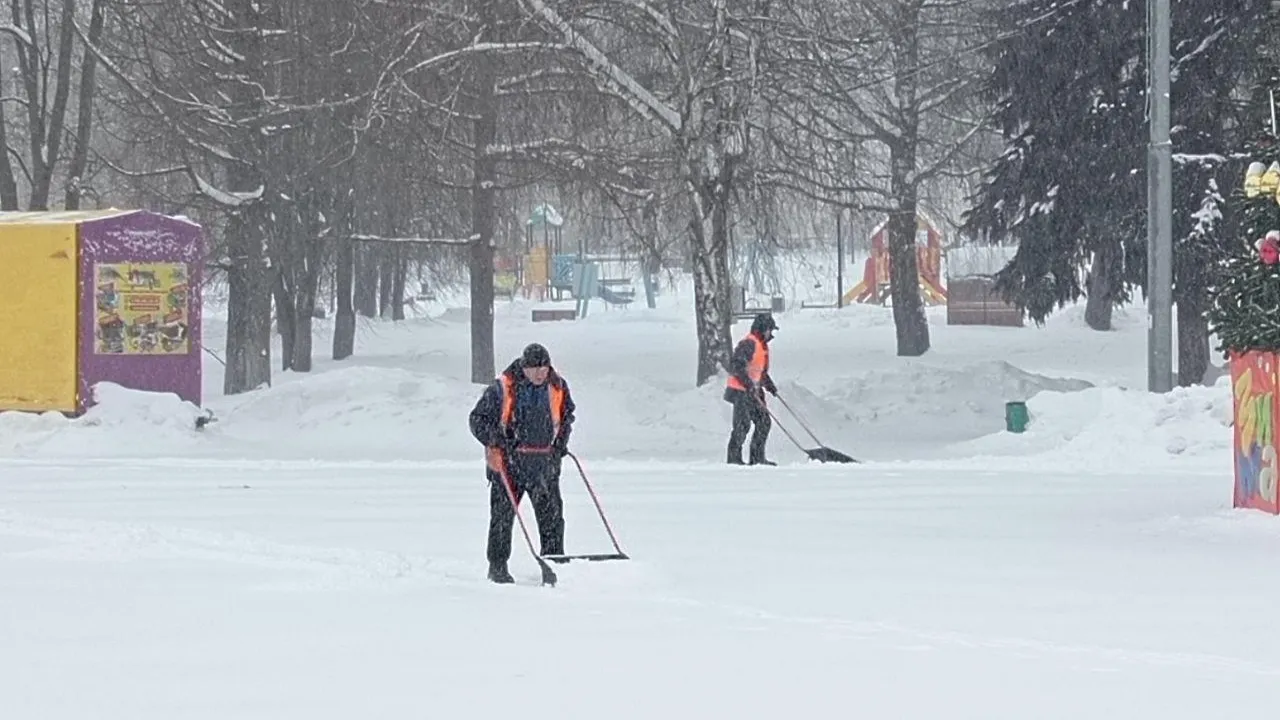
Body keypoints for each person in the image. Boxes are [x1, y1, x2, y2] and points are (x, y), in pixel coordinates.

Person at [469, 342, 575, 584]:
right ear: (524, 368)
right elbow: (477, 419)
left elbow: (567, 416)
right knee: (502, 518)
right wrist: (495, 439)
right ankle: (497, 567)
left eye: (544, 367)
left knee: (552, 519)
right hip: (509, 465)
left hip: (543, 464)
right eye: (535, 368)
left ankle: (555, 564)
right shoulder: (503, 387)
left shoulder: (557, 386)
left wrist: (560, 443)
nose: (540, 373)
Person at [724, 313, 778, 466]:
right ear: (763, 329)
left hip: (752, 391)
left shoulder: (761, 346)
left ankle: (757, 458)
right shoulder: (749, 343)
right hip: (740, 391)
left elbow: (757, 370)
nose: (771, 334)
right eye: (769, 330)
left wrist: (768, 384)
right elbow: (736, 366)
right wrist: (748, 385)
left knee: (764, 422)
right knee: (742, 425)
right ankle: (734, 459)